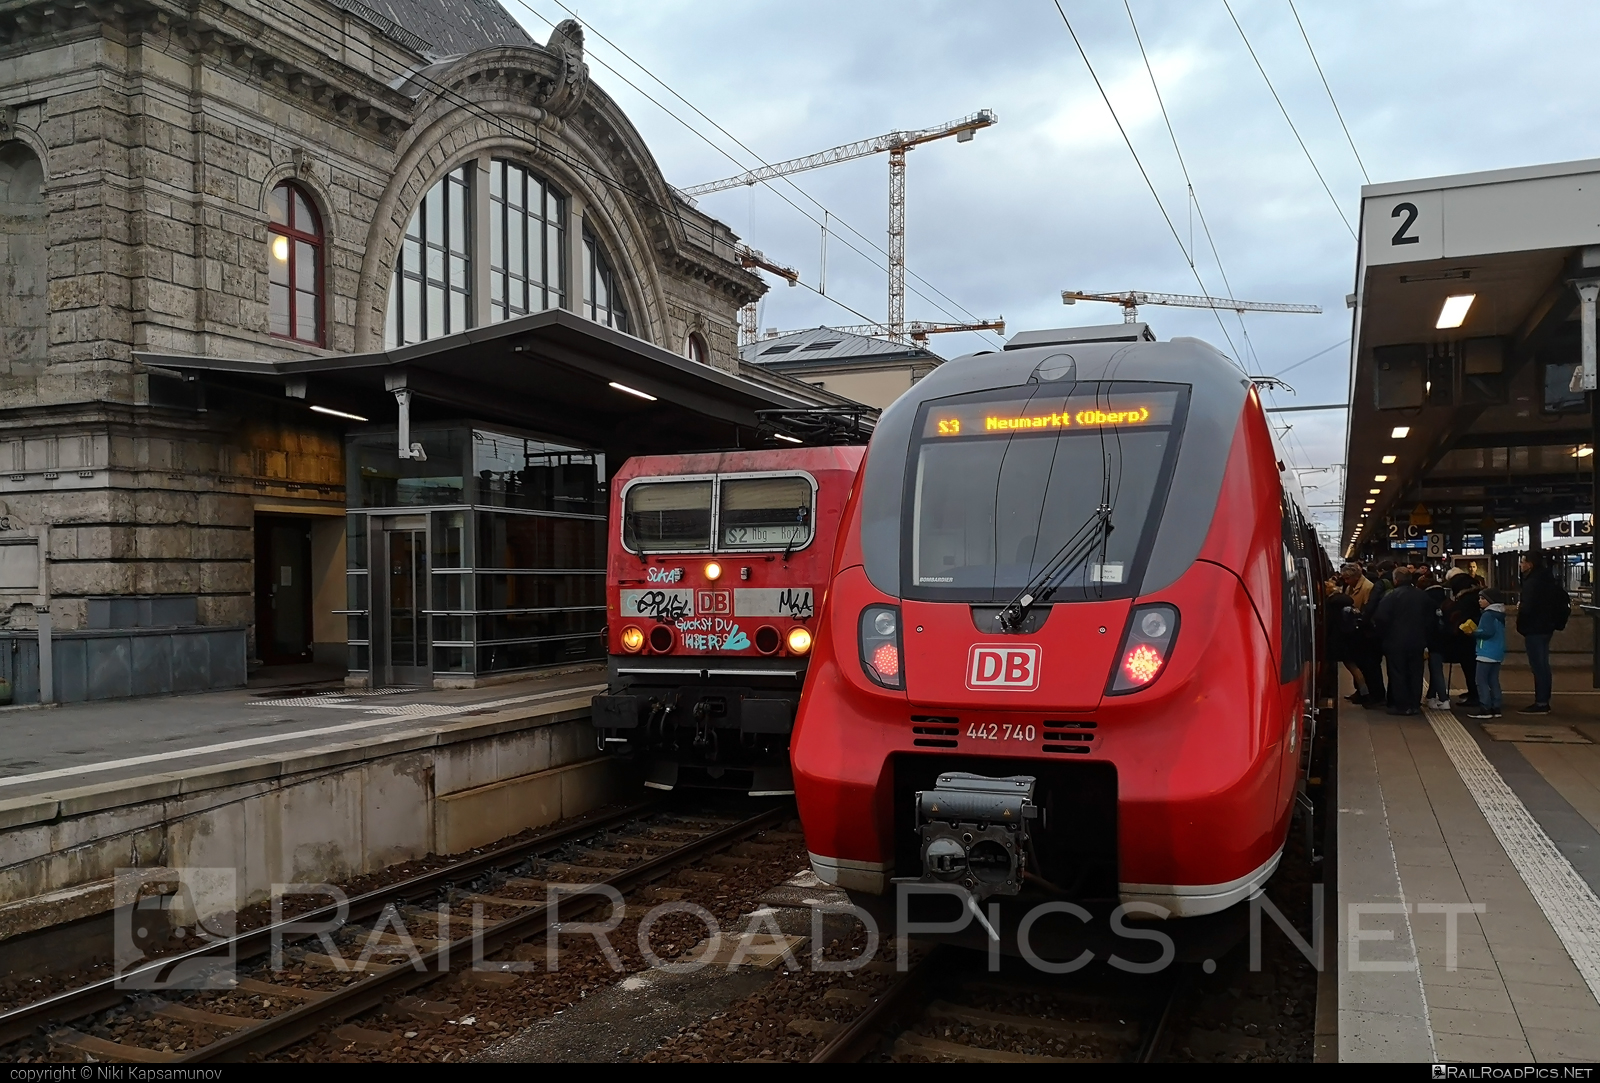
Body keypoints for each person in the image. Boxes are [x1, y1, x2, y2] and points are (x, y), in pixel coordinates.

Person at [1374, 568, 1438, 715]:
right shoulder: (1423, 596)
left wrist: (1383, 635)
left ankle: (1401, 705)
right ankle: (1414, 704)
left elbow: (1380, 618)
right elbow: (1431, 620)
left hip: (1395, 642)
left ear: (1396, 580)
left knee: (1398, 673)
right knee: (1416, 673)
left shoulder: (1391, 597)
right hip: (1418, 642)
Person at [1515, 554, 1569, 714]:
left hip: (1535, 628)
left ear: (1530, 564)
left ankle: (1541, 702)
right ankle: (1543, 699)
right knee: (1543, 665)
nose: (1520, 565)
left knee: (1538, 665)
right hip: (1546, 627)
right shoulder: (1548, 580)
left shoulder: (1532, 583)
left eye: (1523, 562)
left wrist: (1521, 622)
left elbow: (1528, 607)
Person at [1338, 562, 1384, 705]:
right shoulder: (1350, 587)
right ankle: (1360, 691)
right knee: (1359, 663)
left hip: (1366, 634)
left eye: (1347, 579)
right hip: (1355, 632)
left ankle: (1374, 695)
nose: (1345, 581)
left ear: (1356, 577)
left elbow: (1367, 610)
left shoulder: (1367, 587)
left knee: (1368, 666)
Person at [1444, 573, 1482, 708]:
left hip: (1467, 639)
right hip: (1470, 639)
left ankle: (1475, 694)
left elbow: (1459, 615)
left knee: (1470, 668)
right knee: (1472, 668)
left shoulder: (1467, 600)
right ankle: (1473, 692)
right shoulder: (1474, 596)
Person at [1468, 589, 1507, 719]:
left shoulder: (1487, 615)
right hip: (1497, 652)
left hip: (1486, 651)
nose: (1480, 601)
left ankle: (1485, 707)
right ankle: (1496, 707)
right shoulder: (1499, 614)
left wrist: (1473, 632)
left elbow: (1487, 632)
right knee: (1493, 680)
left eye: (1483, 599)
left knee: (1481, 680)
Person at [1419, 570, 1452, 709]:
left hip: (1431, 640)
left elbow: (1425, 624)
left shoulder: (1425, 601)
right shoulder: (1445, 599)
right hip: (1445, 638)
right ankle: (1431, 696)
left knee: (1435, 670)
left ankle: (1444, 699)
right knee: (1435, 669)